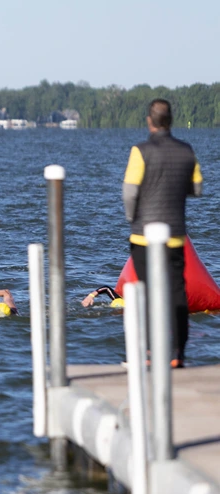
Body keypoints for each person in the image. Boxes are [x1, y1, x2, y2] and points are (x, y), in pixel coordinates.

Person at [123, 99, 202, 367]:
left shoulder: (140, 151)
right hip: (175, 234)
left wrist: (131, 217)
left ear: (149, 120)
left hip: (143, 235)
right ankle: (178, 354)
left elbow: (130, 191)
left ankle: (147, 353)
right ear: (171, 120)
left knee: (145, 292)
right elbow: (197, 188)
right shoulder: (186, 151)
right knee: (177, 292)